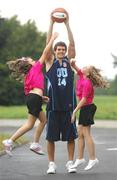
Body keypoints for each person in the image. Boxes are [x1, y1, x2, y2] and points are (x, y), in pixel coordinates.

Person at [2, 32, 58, 156]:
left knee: (44, 120)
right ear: (29, 64)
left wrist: (40, 97)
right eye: (31, 60)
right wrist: (52, 39)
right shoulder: (36, 67)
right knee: (29, 124)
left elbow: (30, 91)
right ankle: (10, 141)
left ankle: (35, 144)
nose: (34, 60)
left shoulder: (28, 76)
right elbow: (45, 52)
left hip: (32, 98)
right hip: (33, 98)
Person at [45, 13, 78, 174]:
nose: (61, 50)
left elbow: (72, 44)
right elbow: (47, 43)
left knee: (70, 137)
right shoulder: (50, 62)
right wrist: (51, 23)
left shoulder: (69, 62)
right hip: (53, 106)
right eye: (58, 49)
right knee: (50, 138)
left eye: (62, 49)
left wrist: (67, 24)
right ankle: (51, 164)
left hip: (69, 106)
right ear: (54, 51)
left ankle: (70, 163)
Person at [70, 59, 109, 171]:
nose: (85, 67)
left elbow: (84, 99)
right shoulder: (83, 76)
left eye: (87, 67)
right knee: (80, 133)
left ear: (89, 73)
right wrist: (73, 64)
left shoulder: (87, 83)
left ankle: (93, 159)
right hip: (84, 108)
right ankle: (80, 158)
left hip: (87, 108)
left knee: (86, 133)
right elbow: (77, 69)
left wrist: (74, 111)